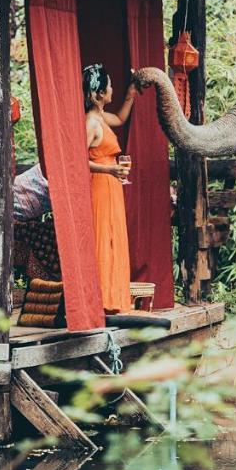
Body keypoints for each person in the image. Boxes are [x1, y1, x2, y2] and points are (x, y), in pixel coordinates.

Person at [83, 63, 138, 314]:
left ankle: (113, 297)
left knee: (114, 238)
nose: (112, 89)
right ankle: (102, 299)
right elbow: (79, 160)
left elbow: (121, 118)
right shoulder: (91, 122)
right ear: (99, 94)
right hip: (101, 183)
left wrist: (130, 93)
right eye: (110, 86)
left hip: (111, 185)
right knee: (102, 237)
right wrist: (109, 170)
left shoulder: (101, 116)